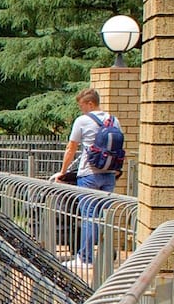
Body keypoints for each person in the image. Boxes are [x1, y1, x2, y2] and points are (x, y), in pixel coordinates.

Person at [51, 88, 118, 270]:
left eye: (82, 106)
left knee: (89, 217)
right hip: (110, 174)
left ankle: (85, 258)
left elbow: (71, 148)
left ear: (90, 103)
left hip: (89, 174)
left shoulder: (82, 121)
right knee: (102, 217)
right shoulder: (113, 120)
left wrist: (62, 172)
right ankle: (105, 255)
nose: (81, 110)